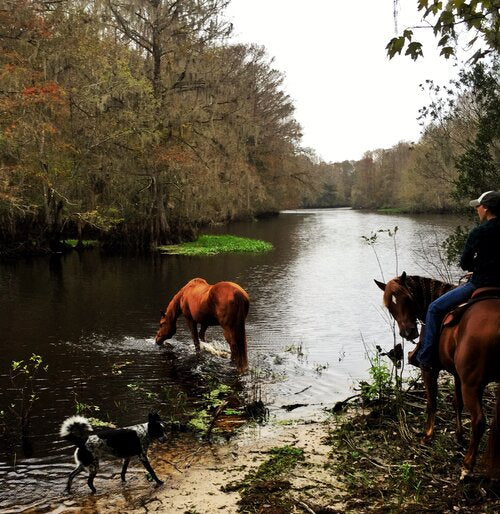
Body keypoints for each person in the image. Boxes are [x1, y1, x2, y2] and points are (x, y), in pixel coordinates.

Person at [416, 190, 500, 371]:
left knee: (434, 309)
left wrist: (476, 267)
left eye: (478, 206)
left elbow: (464, 263)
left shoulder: (479, 232)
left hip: (480, 284)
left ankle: (427, 357)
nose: (477, 210)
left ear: (485, 209)